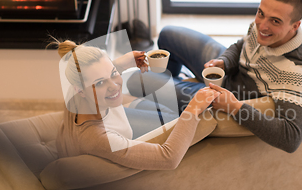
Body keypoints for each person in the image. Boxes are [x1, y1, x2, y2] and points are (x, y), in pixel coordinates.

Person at [130, 0, 302, 153]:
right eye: (260, 13)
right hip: (229, 71)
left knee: (137, 80)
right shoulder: (263, 27)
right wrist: (225, 61)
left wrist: (235, 107)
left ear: (295, 26)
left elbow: (291, 138)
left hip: (228, 94)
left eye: (275, 21)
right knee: (167, 34)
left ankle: (173, 101)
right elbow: (242, 46)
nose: (262, 26)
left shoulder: (296, 73)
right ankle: (172, 90)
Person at [54, 39, 220, 170]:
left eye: (113, 73)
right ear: (80, 90)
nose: (114, 85)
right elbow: (168, 158)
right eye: (100, 83)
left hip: (113, 120)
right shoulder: (98, 138)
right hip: (118, 144)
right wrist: (193, 108)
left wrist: (121, 64)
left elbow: (98, 74)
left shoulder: (76, 92)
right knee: (173, 119)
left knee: (147, 91)